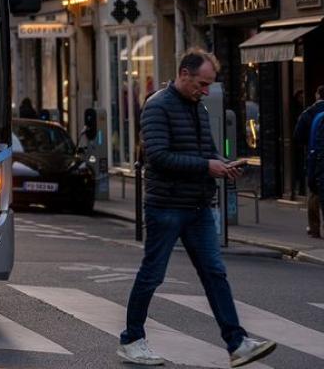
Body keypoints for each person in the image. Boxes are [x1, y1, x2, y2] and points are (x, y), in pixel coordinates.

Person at [117, 49, 276, 367]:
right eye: (201, 84)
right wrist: (207, 166)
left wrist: (224, 165)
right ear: (184, 74)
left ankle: (237, 344)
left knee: (215, 273)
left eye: (209, 85)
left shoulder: (198, 108)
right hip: (167, 205)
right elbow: (158, 157)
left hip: (198, 205)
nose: (205, 90)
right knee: (152, 274)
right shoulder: (157, 106)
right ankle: (131, 340)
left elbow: (208, 150)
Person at [295, 85, 324, 238]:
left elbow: (298, 135)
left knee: (314, 192)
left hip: (315, 155)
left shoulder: (309, 113)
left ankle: (314, 228)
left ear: (317, 95)